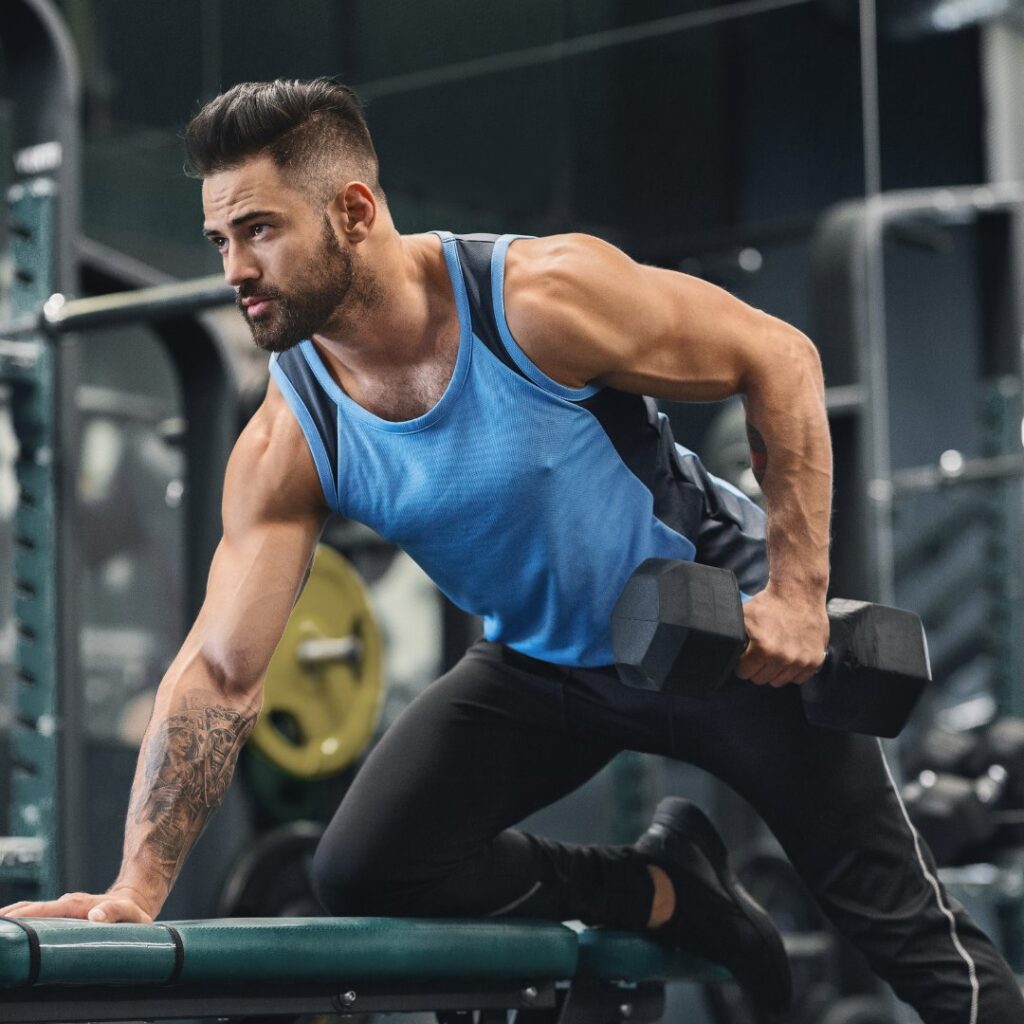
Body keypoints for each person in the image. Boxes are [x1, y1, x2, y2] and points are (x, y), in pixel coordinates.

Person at [2, 77, 1020, 1021]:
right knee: (365, 869)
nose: (234, 269)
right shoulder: (287, 438)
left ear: (354, 211)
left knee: (905, 935)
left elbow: (779, 355)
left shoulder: (537, 298)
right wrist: (137, 888)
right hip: (542, 666)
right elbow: (221, 671)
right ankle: (669, 891)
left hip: (718, 626)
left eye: (258, 230)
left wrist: (799, 595)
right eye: (221, 238)